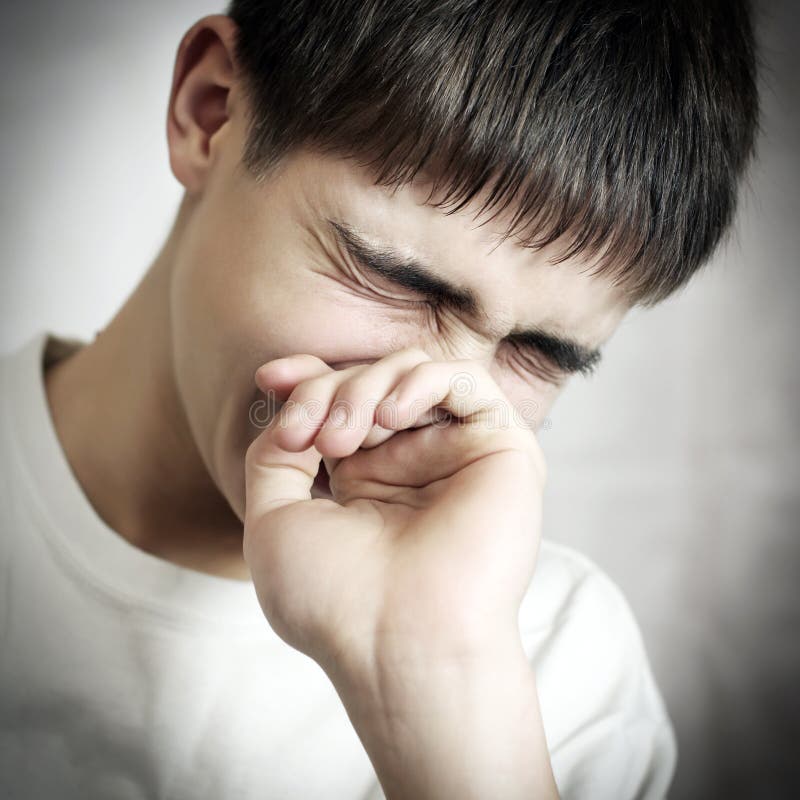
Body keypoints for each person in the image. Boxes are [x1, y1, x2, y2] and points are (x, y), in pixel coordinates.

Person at [0, 1, 758, 798]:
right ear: (210, 111)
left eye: (539, 355)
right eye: (397, 278)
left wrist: (436, 684)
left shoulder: (563, 681)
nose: (437, 400)